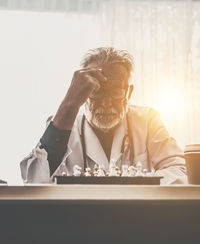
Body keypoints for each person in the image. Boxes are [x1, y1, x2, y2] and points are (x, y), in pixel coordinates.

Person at [20, 47, 187, 184]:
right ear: (82, 93)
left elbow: (179, 170)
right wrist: (69, 104)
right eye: (97, 92)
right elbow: (33, 179)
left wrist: (131, 189)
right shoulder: (63, 124)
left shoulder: (148, 121)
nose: (106, 103)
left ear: (128, 93)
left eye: (115, 92)